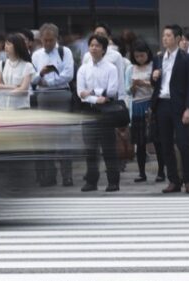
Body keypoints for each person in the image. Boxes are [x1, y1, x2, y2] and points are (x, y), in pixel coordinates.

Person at [153, 25, 189, 194]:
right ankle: (173, 180)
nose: (165, 38)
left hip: (179, 106)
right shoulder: (159, 58)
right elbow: (156, 84)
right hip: (162, 104)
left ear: (178, 38)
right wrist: (154, 77)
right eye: (163, 35)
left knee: (184, 144)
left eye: (169, 35)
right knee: (165, 145)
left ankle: (188, 180)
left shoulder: (187, 58)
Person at [32, 23, 76, 187]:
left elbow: (68, 74)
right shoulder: (36, 55)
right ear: (40, 39)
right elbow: (32, 77)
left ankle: (67, 175)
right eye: (45, 41)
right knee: (46, 137)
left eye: (51, 40)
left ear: (57, 39)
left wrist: (50, 81)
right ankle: (50, 175)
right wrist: (41, 74)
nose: (48, 44)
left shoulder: (65, 52)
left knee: (64, 136)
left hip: (61, 93)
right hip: (43, 95)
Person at [76, 34, 121, 193]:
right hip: (88, 111)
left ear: (103, 49)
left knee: (108, 148)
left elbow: (112, 91)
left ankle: (113, 182)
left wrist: (92, 92)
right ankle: (91, 181)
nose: (93, 48)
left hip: (106, 111)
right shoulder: (83, 68)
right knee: (90, 149)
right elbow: (80, 93)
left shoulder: (111, 68)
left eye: (97, 46)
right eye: (91, 45)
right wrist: (96, 98)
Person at [129, 41, 159, 183]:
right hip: (137, 105)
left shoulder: (154, 66)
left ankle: (161, 171)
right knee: (140, 142)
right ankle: (142, 172)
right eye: (137, 56)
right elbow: (128, 90)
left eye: (142, 55)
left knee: (156, 139)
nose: (140, 58)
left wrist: (144, 83)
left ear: (147, 53)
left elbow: (158, 86)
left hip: (150, 103)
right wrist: (133, 86)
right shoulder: (131, 68)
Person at [0, 32, 34, 111]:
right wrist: (14, 87)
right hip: (2, 107)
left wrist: (4, 90)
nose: (5, 47)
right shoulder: (2, 64)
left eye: (8, 44)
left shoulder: (27, 66)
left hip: (20, 108)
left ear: (17, 46)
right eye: (5, 44)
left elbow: (23, 89)